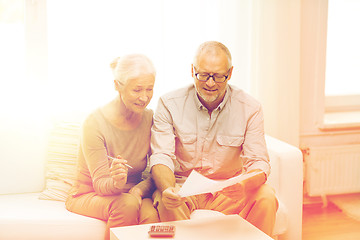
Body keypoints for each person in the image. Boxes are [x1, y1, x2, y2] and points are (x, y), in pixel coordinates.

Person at [150, 41, 278, 237]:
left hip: (229, 189)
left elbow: (259, 162)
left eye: (218, 76)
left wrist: (244, 185)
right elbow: (161, 156)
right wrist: (168, 189)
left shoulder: (250, 107)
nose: (210, 83)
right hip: (183, 189)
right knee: (167, 201)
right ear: (192, 70)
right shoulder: (169, 104)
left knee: (266, 197)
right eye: (203, 75)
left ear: (230, 73)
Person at [66, 54, 159, 240]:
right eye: (137, 90)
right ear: (117, 85)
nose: (144, 97)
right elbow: (100, 185)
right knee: (127, 205)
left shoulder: (149, 118)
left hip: (132, 193)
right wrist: (117, 182)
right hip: (89, 193)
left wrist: (139, 189)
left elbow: (157, 170)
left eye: (150, 89)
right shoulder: (94, 123)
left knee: (152, 216)